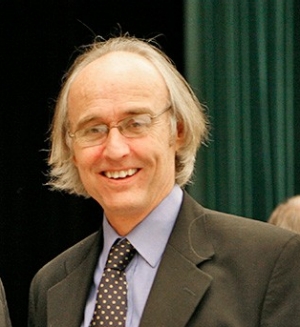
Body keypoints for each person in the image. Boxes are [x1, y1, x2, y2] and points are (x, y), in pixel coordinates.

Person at [28, 35, 300, 327]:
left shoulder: (270, 263)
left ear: (178, 131)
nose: (116, 149)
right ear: (71, 150)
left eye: (136, 123)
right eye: (93, 129)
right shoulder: (51, 286)